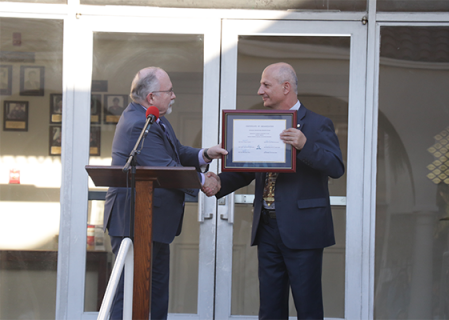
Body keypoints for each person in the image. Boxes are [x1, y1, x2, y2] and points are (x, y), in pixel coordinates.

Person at [207, 62, 344, 319]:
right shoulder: (262, 123)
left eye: (265, 85)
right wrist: (220, 183)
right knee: (269, 308)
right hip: (267, 227)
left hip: (303, 230)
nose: (260, 91)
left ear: (286, 87)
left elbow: (336, 167)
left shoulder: (317, 124)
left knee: (308, 306)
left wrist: (304, 145)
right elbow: (247, 168)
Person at [103, 66, 227, 320]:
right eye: (169, 91)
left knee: (155, 295)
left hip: (152, 222)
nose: (173, 96)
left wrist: (205, 154)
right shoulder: (139, 123)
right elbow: (165, 168)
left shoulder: (153, 118)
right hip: (135, 221)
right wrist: (204, 180)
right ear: (151, 97)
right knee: (129, 296)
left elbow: (177, 152)